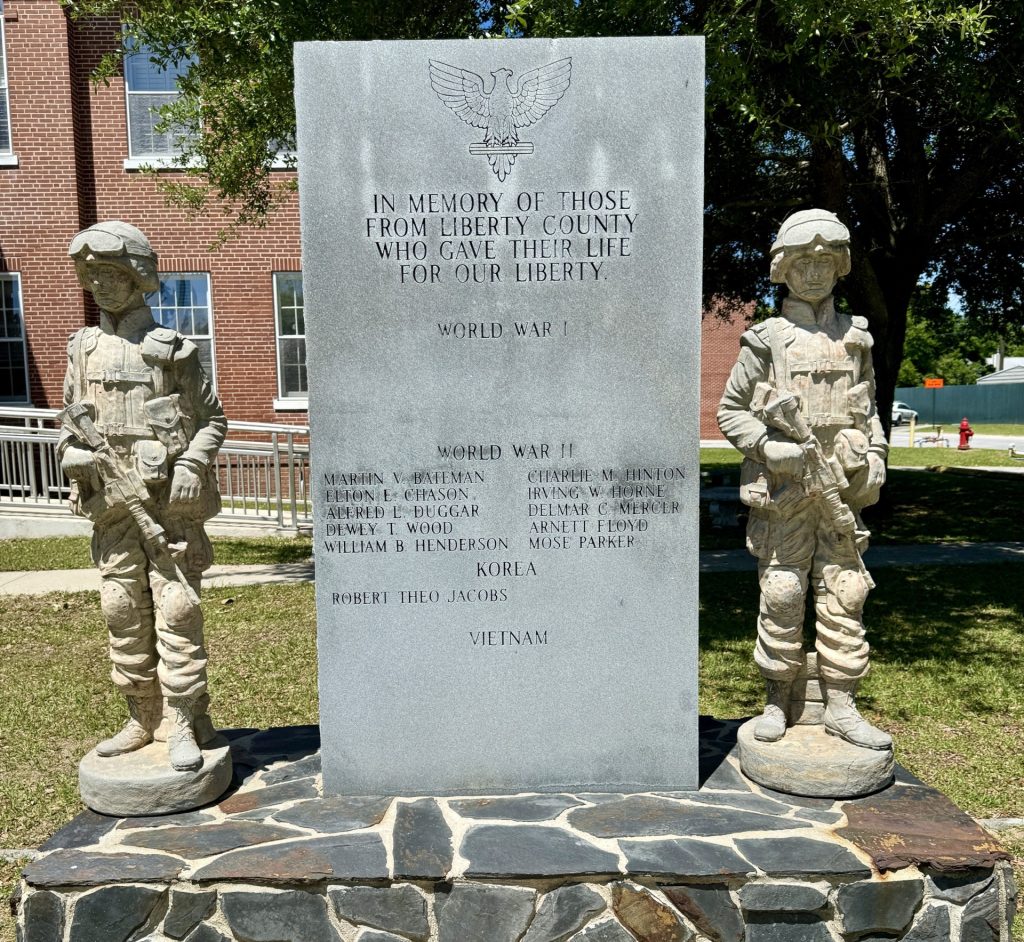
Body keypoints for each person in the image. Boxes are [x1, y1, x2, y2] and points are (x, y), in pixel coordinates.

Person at [717, 208, 891, 751]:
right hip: (785, 490)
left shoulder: (856, 337)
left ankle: (841, 705)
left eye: (824, 262)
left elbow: (869, 410)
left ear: (840, 266)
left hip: (842, 484)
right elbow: (731, 411)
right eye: (802, 263)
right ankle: (778, 701)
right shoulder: (766, 340)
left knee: (846, 591)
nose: (814, 273)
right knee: (783, 592)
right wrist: (773, 449)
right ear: (783, 269)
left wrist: (876, 454)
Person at [58, 221, 227, 772]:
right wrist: (74, 456)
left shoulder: (173, 350)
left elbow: (212, 420)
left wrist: (192, 463)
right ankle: (142, 716)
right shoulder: (82, 350)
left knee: (177, 607)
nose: (100, 285)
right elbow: (68, 424)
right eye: (92, 276)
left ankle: (182, 719)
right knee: (120, 606)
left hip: (167, 504)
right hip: (109, 502)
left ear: (138, 276)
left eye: (111, 274)